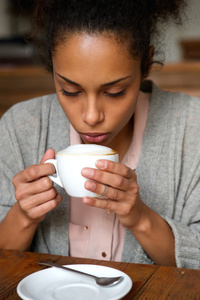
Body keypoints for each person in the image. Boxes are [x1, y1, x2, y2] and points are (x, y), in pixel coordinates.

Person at [1, 0, 200, 270]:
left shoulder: (192, 128)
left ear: (147, 64)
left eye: (115, 92)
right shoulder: (19, 127)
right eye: (70, 91)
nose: (92, 116)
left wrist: (141, 218)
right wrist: (23, 215)